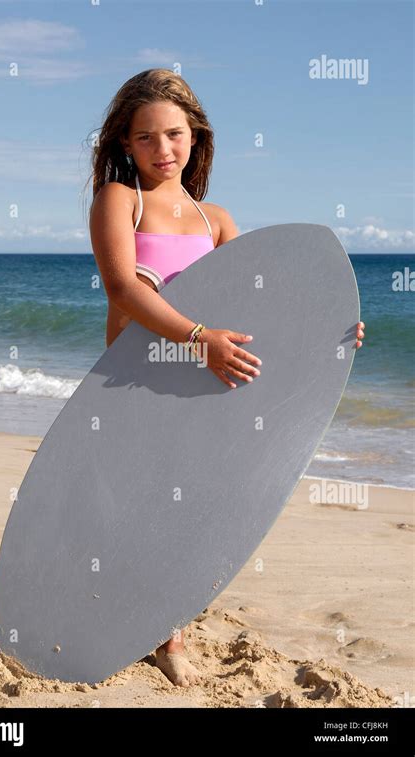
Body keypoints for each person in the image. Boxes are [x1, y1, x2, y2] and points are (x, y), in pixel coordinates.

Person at [86, 68, 365, 687]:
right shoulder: (120, 199)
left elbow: (257, 305)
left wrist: (329, 332)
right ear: (125, 144)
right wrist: (196, 337)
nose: (163, 150)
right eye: (147, 138)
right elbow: (122, 286)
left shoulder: (216, 220)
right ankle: (159, 635)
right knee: (142, 507)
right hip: (134, 384)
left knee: (189, 513)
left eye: (175, 135)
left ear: (196, 137)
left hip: (200, 389)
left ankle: (165, 630)